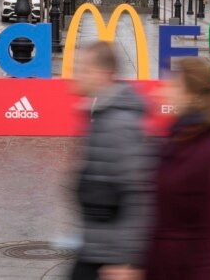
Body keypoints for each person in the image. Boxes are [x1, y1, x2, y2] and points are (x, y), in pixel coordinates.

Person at [145, 57, 210, 280]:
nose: (165, 91)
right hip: (160, 267)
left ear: (192, 95)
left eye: (175, 85)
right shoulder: (175, 137)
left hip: (190, 270)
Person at [71, 41, 155, 280]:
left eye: (83, 69)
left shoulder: (119, 124)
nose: (77, 75)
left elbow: (139, 191)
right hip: (95, 245)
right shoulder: (100, 114)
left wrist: (130, 262)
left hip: (110, 258)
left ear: (103, 74)